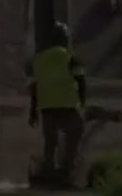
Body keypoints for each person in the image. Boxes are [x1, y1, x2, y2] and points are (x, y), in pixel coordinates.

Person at [26, 21, 86, 186]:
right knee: (74, 136)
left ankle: (49, 172)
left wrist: (33, 111)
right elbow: (81, 81)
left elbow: (34, 87)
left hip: (47, 107)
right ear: (65, 40)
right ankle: (67, 170)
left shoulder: (38, 60)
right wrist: (82, 103)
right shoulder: (71, 58)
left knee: (50, 143)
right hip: (67, 106)